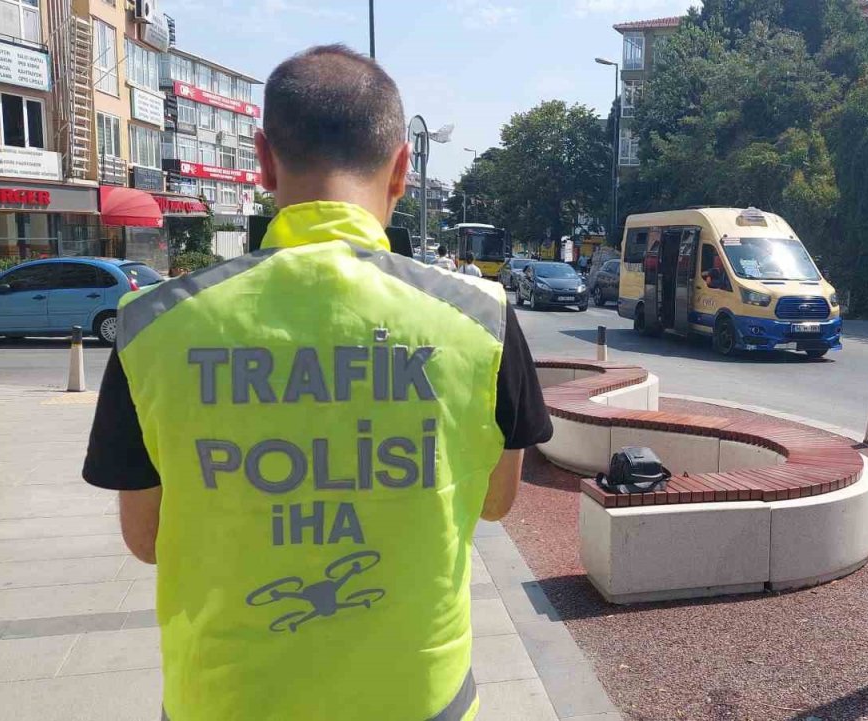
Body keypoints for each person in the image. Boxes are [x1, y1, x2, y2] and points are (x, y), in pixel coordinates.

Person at [81, 45, 553, 721]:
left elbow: (147, 538)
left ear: (264, 158)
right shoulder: (482, 318)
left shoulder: (153, 324)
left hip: (226, 700)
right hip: (419, 700)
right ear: (401, 169)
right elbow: (497, 502)